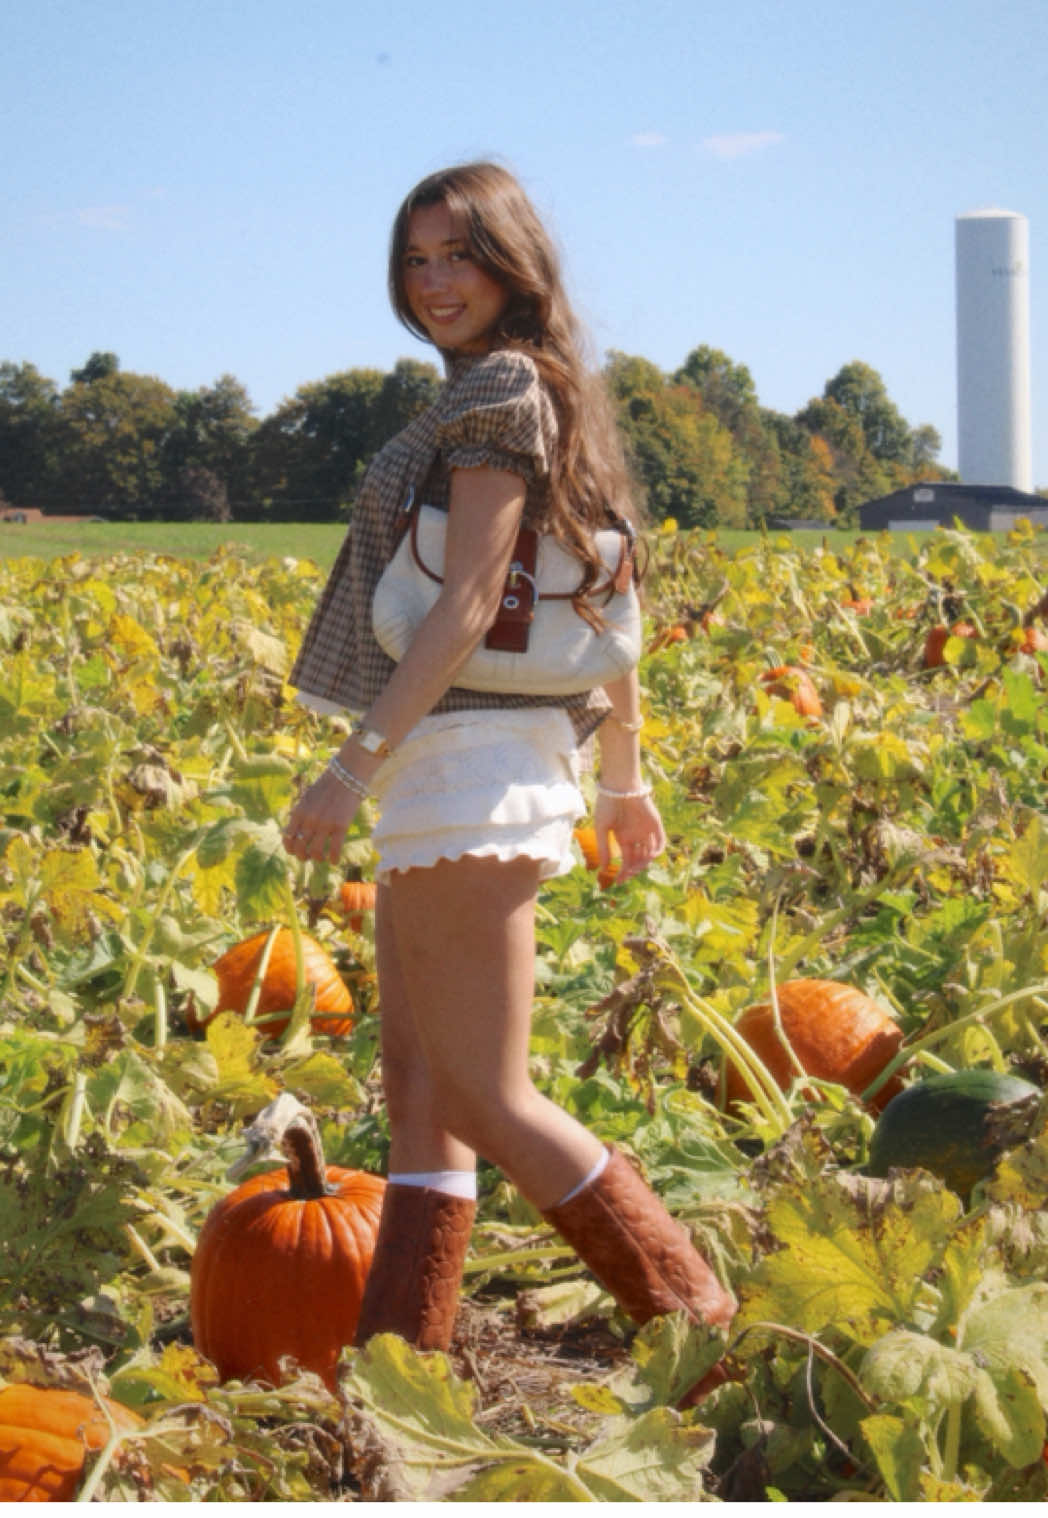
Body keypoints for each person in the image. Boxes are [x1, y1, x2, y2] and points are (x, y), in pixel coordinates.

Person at [282, 162, 735, 1352]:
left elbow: (473, 603)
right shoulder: (540, 389)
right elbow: (608, 585)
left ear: (511, 261)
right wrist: (624, 775)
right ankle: (401, 1352)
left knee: (483, 1090)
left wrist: (350, 767)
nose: (434, 282)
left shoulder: (497, 395)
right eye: (415, 260)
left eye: (458, 256)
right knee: (421, 1081)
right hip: (471, 750)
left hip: (465, 752)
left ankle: (691, 1312)